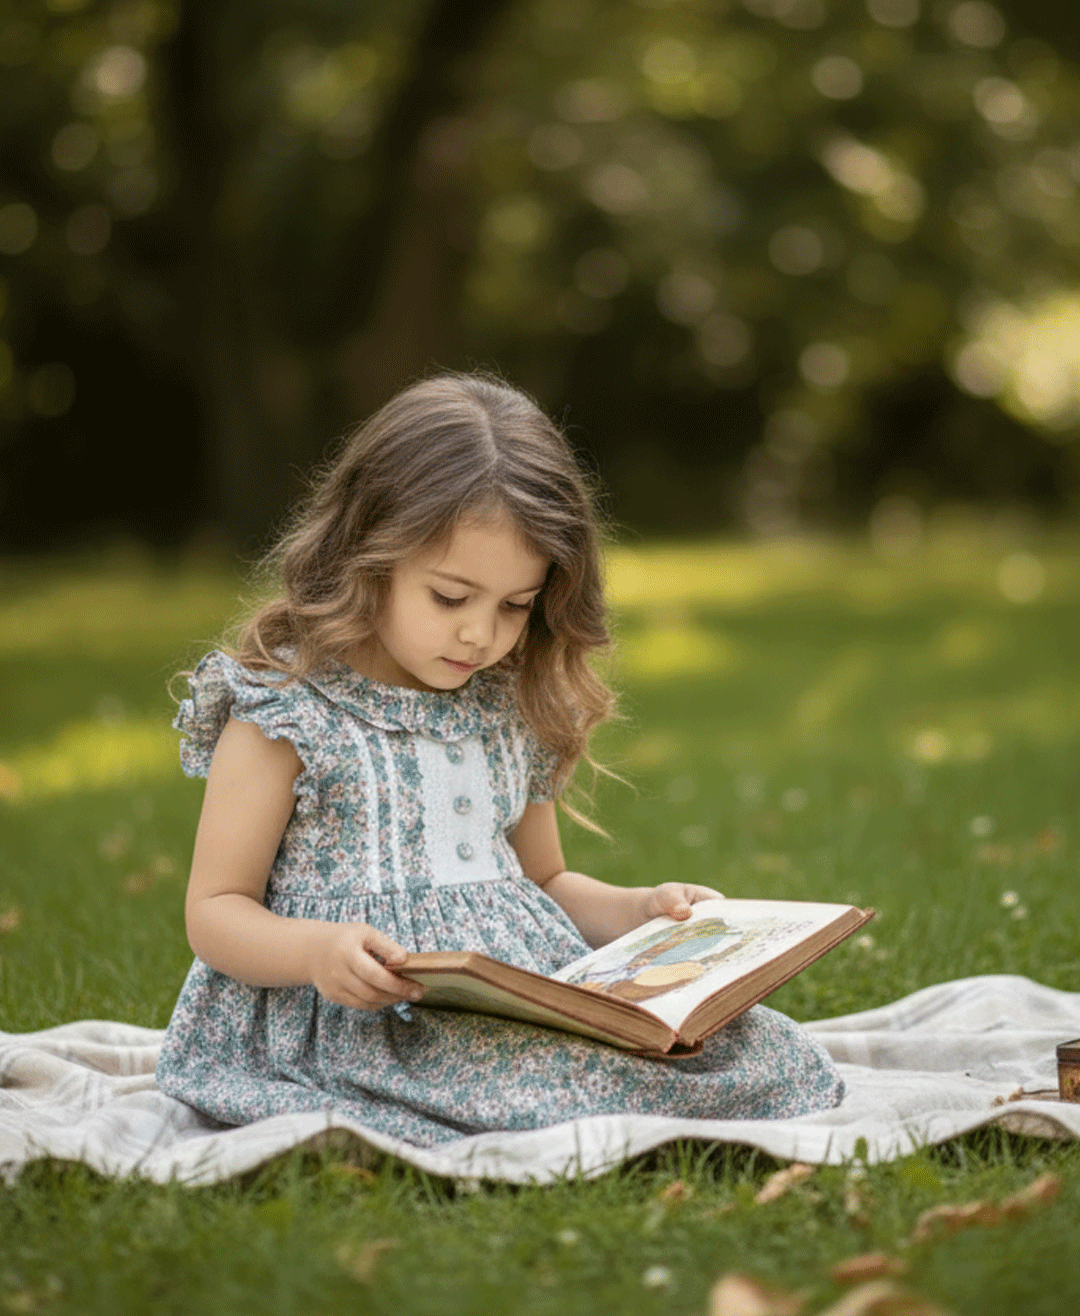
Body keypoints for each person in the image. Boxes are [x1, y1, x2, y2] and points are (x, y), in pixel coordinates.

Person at [156, 373, 843, 1145]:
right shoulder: (289, 711)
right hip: (360, 1017)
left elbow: (546, 882)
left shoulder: (503, 705)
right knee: (556, 1091)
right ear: (367, 553)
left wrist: (640, 912)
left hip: (513, 997)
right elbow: (215, 913)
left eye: (515, 606)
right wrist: (318, 952)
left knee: (755, 1053)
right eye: (450, 598)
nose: (481, 635)